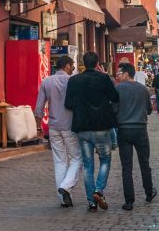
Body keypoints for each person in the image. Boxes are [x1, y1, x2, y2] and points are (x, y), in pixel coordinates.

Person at [64, 51, 119, 212]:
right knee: (105, 160)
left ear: (83, 63)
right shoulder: (104, 78)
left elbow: (68, 103)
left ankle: (91, 202)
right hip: (101, 126)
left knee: (88, 165)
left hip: (82, 127)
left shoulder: (74, 80)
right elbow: (115, 97)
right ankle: (98, 190)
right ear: (97, 64)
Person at [36, 55, 82, 207]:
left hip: (54, 126)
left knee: (59, 161)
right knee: (76, 158)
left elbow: (39, 107)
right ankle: (66, 186)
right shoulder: (72, 81)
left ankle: (63, 198)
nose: (73, 68)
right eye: (72, 65)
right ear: (67, 66)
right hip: (70, 126)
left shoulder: (46, 81)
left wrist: (38, 127)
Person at [115, 63, 156, 210]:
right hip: (140, 130)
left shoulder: (118, 89)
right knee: (144, 163)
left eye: (119, 73)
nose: (117, 76)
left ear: (126, 74)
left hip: (123, 130)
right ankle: (149, 192)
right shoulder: (143, 89)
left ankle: (129, 201)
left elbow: (113, 109)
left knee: (126, 167)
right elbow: (150, 110)